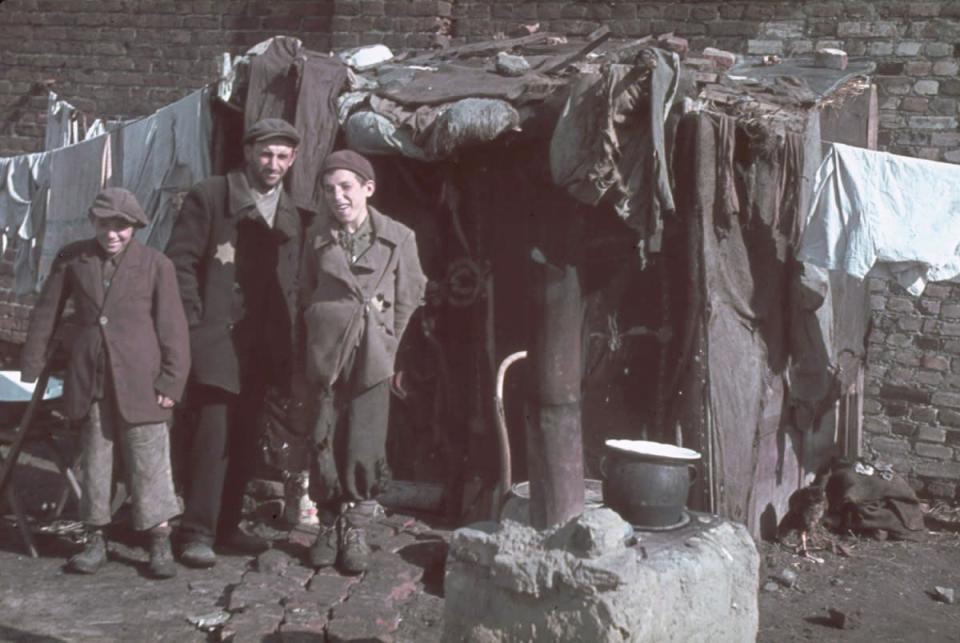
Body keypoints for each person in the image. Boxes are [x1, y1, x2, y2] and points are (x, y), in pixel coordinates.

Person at [166, 118, 314, 567]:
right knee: (212, 436)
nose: (273, 164)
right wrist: (196, 326)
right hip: (216, 338)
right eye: (266, 154)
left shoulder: (292, 213)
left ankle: (227, 527)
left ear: (292, 161)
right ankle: (196, 531)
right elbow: (180, 263)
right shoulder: (210, 195)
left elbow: (290, 284)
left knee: (245, 437)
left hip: (263, 343)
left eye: (283, 157)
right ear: (249, 152)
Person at [21, 187, 190, 579]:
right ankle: (95, 539)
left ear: (135, 227)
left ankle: (159, 540)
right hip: (91, 379)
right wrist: (32, 365)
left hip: (143, 381)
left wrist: (171, 380)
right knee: (96, 459)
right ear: (92, 223)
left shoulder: (156, 264)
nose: (111, 234)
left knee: (149, 460)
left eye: (121, 226)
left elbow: (173, 329)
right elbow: (46, 312)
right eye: (104, 225)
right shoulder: (74, 259)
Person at [301, 150, 427, 573]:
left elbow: (409, 296)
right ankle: (328, 524)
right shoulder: (316, 237)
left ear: (368, 189)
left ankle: (354, 526)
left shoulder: (398, 237)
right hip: (325, 354)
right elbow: (305, 290)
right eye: (329, 189)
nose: (338, 197)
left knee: (364, 441)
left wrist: (386, 342)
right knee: (323, 435)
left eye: (346, 187)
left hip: (372, 355)